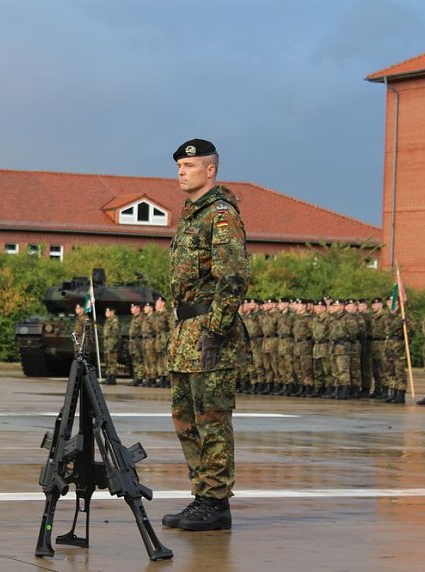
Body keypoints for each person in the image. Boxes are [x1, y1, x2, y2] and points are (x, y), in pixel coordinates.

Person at [163, 138, 249, 532]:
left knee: (211, 419)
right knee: (186, 419)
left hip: (208, 334)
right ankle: (202, 496)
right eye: (180, 166)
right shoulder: (192, 216)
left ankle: (217, 502)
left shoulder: (220, 215)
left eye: (190, 165)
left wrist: (215, 331)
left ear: (210, 170)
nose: (182, 171)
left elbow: (233, 277)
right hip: (186, 332)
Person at [102, 306, 120, 385]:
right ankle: (108, 376)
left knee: (112, 361)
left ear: (112, 312)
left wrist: (112, 345)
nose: (106, 313)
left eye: (108, 311)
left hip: (111, 343)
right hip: (107, 342)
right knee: (107, 360)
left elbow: (115, 334)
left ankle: (112, 377)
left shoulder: (114, 321)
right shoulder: (108, 321)